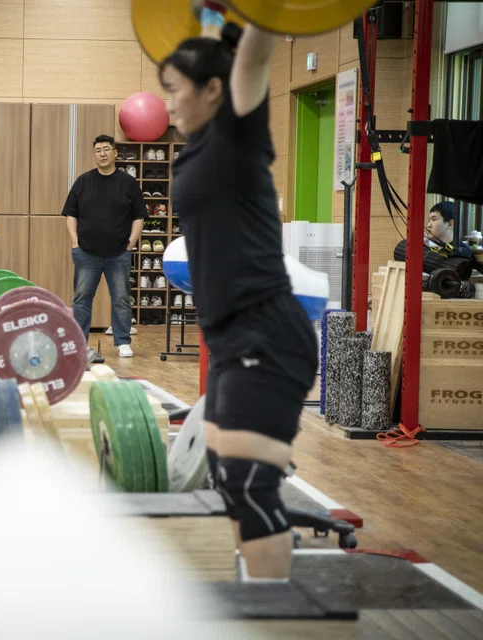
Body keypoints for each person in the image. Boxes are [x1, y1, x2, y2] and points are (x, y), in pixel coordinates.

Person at [160, 5, 318, 581]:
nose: (166, 103)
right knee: (228, 480)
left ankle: (272, 612)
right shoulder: (201, 143)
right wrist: (212, 17)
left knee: (252, 486)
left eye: (174, 89)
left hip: (266, 333)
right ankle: (255, 597)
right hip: (230, 339)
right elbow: (218, 47)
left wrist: (260, 13)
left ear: (212, 90)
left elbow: (251, 54)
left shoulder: (237, 131)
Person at [62, 135, 145, 359]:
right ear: (94, 155)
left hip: (118, 254)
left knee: (121, 299)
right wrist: (75, 243)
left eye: (106, 149)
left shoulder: (128, 183)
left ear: (115, 153)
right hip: (86, 253)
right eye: (98, 150)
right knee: (81, 299)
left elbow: (139, 216)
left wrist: (130, 244)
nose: (102, 153)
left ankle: (123, 341)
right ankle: (79, 342)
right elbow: (71, 215)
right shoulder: (83, 181)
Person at [392, 201, 478, 277]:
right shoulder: (433, 247)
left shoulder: (463, 252)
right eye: (429, 220)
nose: (428, 225)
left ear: (450, 224)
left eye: (434, 219)